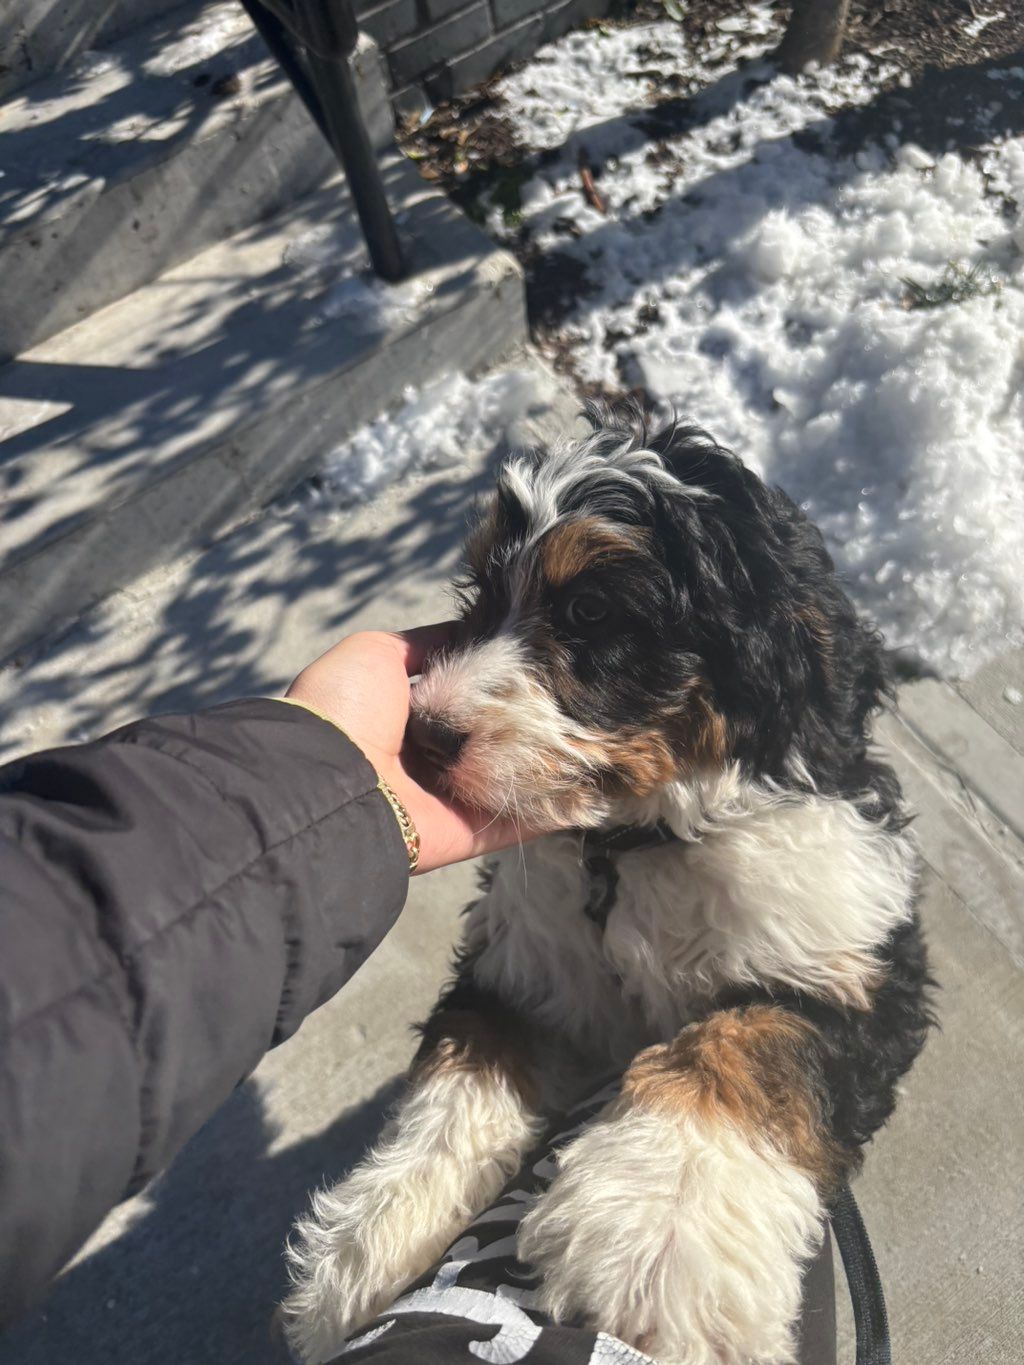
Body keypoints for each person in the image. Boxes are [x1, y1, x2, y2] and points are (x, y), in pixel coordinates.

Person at [0, 627, 835, 1362]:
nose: (443, 695)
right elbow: (503, 989)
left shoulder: (811, 841)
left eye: (587, 629)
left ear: (758, 665)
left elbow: (843, 1008)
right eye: (485, 600)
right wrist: (443, 1157)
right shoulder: (550, 841)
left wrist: (716, 1135)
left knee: (776, 1052)